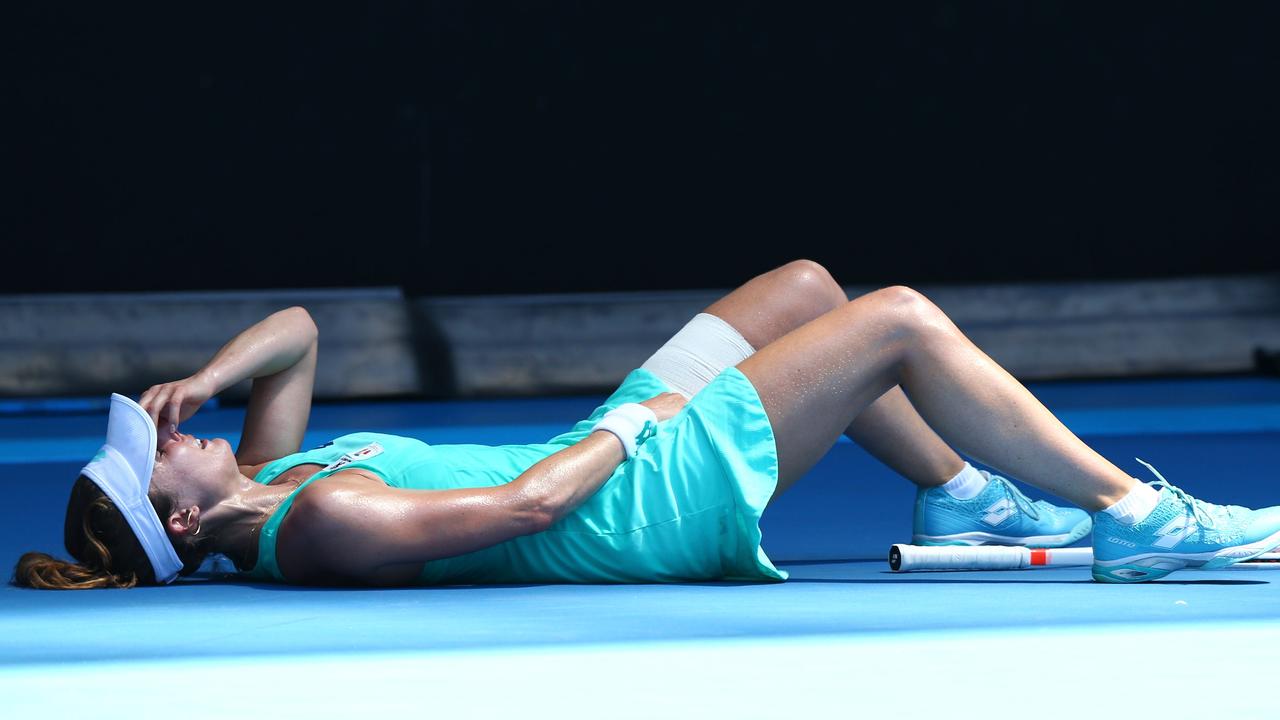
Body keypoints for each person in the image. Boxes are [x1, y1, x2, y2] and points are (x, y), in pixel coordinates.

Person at [12, 260, 1280, 590]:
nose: (170, 422)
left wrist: (210, 371)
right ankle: (1136, 520)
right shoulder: (323, 517)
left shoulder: (283, 464)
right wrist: (654, 418)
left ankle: (958, 495)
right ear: (180, 514)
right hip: (639, 500)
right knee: (894, 318)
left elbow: (296, 328)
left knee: (802, 288)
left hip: (613, 442)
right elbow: (526, 511)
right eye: (158, 445)